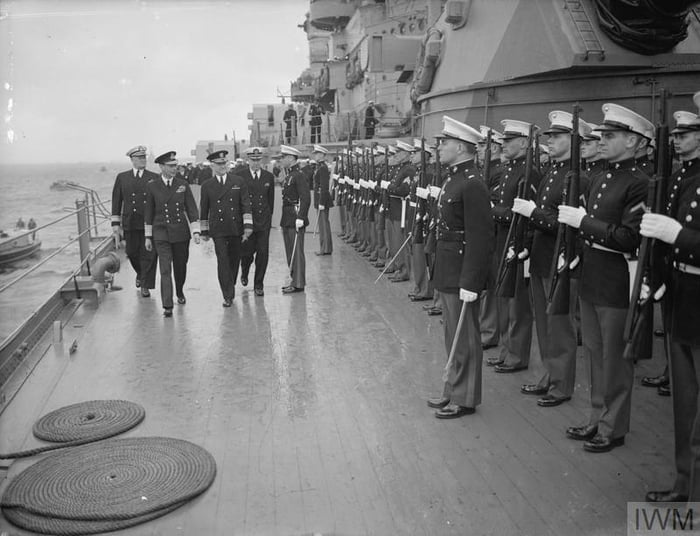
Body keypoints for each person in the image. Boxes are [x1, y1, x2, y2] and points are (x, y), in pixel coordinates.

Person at [558, 103, 651, 453]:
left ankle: (614, 427)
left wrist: (583, 223)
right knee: (595, 355)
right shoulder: (600, 177)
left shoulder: (639, 184)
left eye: (610, 136)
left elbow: (629, 237)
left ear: (633, 142)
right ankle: (597, 417)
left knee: (615, 359)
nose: (602, 141)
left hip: (616, 278)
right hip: (593, 275)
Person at [643, 93, 700, 502]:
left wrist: (678, 235)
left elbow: (678, 234)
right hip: (683, 293)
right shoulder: (685, 175)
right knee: (685, 402)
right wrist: (658, 276)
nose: (679, 140)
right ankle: (687, 484)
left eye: (687, 133)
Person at [513, 110, 590, 408]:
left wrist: (532, 213)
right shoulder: (551, 175)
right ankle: (549, 373)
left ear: (574, 141)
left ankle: (561, 383)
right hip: (543, 255)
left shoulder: (578, 179)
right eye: (551, 137)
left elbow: (566, 223)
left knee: (560, 324)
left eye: (557, 137)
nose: (551, 141)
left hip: (561, 257)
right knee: (544, 322)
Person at [427, 116, 494, 418]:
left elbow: (480, 237)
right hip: (449, 266)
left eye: (445, 143)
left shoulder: (473, 184)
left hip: (462, 271)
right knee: (452, 333)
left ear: (463, 147)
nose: (440, 147)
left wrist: (471, 281)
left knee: (464, 336)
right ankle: (452, 387)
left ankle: (465, 397)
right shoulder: (453, 178)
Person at [489, 119, 541, 373]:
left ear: (523, 143)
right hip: (503, 239)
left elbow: (524, 214)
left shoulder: (529, 173)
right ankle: (507, 349)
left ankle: (517, 354)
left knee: (518, 303)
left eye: (509, 141)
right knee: (504, 296)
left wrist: (494, 211)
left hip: (518, 241)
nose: (503, 145)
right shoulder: (510, 170)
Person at [144, 151, 200, 317]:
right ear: (161, 167)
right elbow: (149, 212)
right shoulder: (152, 186)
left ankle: (180, 290)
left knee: (180, 266)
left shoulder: (182, 184)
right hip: (161, 233)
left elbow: (191, 209)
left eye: (175, 165)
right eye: (170, 166)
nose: (174, 168)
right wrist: (148, 236)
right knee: (165, 269)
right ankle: (167, 305)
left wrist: (196, 231)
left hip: (181, 233)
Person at [199, 150, 253, 307]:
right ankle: (227, 294)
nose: (222, 166)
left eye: (224, 163)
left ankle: (230, 283)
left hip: (235, 227)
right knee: (222, 260)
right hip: (218, 229)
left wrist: (248, 226)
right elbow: (204, 208)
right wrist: (204, 231)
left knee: (235, 259)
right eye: (219, 164)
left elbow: (245, 204)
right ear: (213, 166)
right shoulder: (207, 185)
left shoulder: (238, 181)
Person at [111, 145, 159, 297]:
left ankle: (145, 284)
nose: (143, 160)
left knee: (149, 255)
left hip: (148, 223)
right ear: (132, 160)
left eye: (144, 157)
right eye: (139, 158)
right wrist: (115, 224)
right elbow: (116, 200)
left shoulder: (154, 177)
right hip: (130, 222)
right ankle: (140, 274)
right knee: (131, 253)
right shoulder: (122, 177)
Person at [476, 126, 505, 349]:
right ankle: (483, 326)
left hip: (494, 233)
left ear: (493, 148)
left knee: (490, 284)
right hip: (483, 232)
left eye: (482, 145)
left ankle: (489, 330)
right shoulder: (484, 170)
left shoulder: (499, 172)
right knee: (482, 282)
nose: (478, 149)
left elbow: (493, 203)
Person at [239, 147, 275, 296]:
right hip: (248, 222)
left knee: (263, 254)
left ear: (262, 160)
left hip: (263, 222)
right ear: (248, 160)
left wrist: (268, 218)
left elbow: (270, 201)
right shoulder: (240, 176)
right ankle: (245, 271)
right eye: (253, 160)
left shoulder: (268, 177)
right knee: (247, 254)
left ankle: (259, 284)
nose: (255, 163)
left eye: (258, 160)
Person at [279, 145, 310, 294]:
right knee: (290, 251)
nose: (281, 160)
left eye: (283, 157)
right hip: (287, 217)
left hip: (295, 216)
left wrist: (301, 217)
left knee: (296, 252)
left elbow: (305, 197)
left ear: (291, 158)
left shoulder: (298, 175)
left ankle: (298, 283)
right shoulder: (290, 175)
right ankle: (294, 279)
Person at [310, 144, 333, 256]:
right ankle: (325, 248)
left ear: (322, 155)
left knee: (324, 225)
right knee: (323, 225)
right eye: (315, 154)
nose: (315, 156)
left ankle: (325, 248)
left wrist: (322, 202)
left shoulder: (323, 168)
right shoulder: (319, 167)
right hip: (319, 199)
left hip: (322, 200)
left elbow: (324, 186)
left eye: (317, 154)